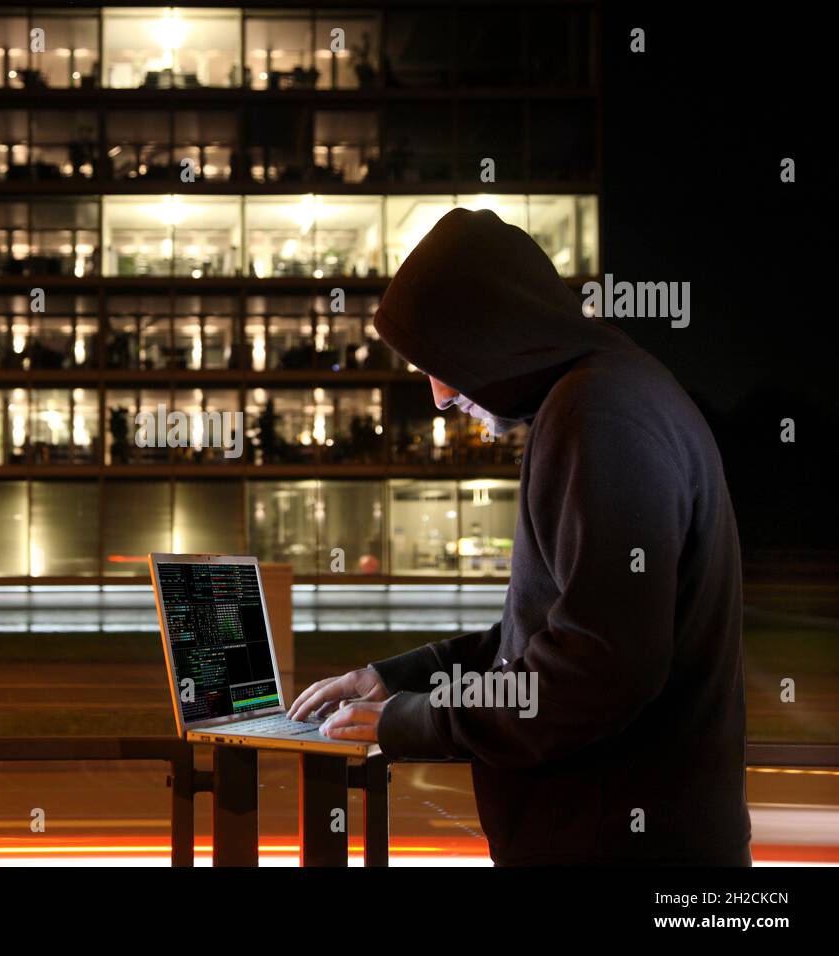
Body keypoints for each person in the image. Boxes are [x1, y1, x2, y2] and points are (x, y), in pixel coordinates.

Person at [289, 208, 751, 866]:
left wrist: (417, 721)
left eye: (438, 360)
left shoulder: (600, 414)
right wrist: (392, 681)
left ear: (488, 330)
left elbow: (596, 670)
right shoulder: (612, 392)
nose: (441, 397)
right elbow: (539, 645)